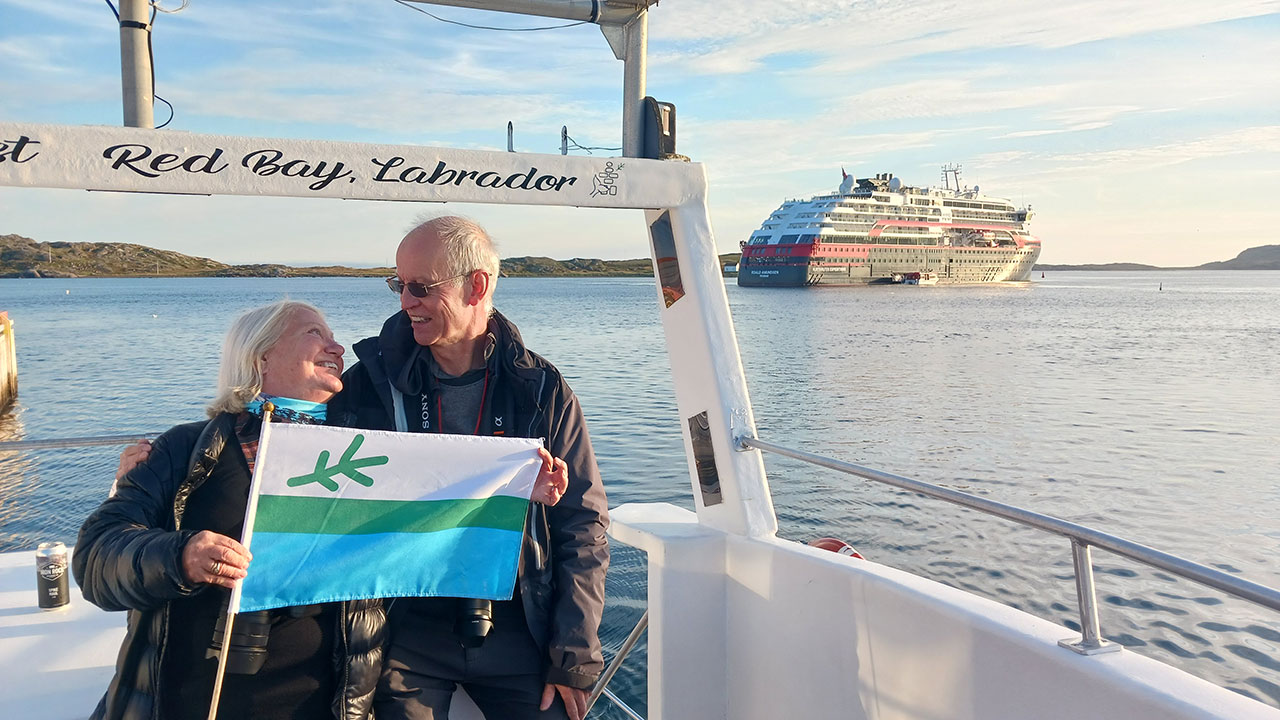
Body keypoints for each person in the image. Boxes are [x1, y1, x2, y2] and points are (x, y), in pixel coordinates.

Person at [78, 300, 571, 720]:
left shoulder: (363, 452)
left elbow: (432, 503)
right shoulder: (186, 451)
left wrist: (513, 490)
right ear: (261, 353)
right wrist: (181, 555)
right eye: (316, 333)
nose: (338, 348)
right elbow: (96, 560)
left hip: (330, 703)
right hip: (192, 699)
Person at [331, 216, 610, 720]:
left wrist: (573, 657)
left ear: (475, 285)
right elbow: (285, 437)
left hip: (518, 624)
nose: (404, 302)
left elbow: (582, 524)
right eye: (397, 284)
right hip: (405, 625)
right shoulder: (368, 383)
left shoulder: (541, 389)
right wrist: (179, 452)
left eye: (419, 287)